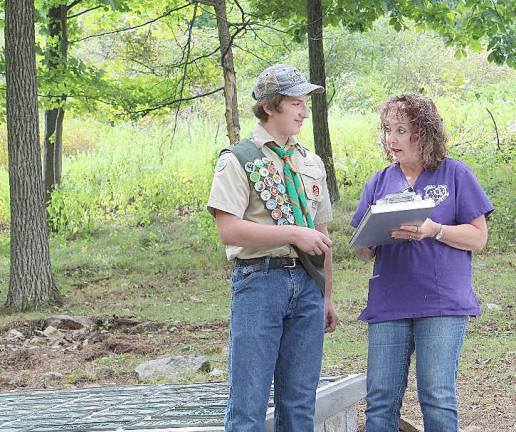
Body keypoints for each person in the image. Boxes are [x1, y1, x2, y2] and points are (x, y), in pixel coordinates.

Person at [351, 93, 494, 432]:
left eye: (401, 130)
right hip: (389, 303)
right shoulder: (380, 181)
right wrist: (373, 236)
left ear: (424, 132)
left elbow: (478, 237)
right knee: (380, 400)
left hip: (442, 302)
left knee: (437, 396)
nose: (391, 139)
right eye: (387, 129)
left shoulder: (455, 173)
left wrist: (435, 230)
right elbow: (360, 248)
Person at [207, 64, 338, 431]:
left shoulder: (309, 162)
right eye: (295, 103)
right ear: (270, 107)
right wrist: (292, 234)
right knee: (248, 400)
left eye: (304, 103)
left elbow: (322, 234)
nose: (303, 111)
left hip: (308, 286)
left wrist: (327, 295)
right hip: (259, 282)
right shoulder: (239, 159)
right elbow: (228, 229)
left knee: (299, 401)